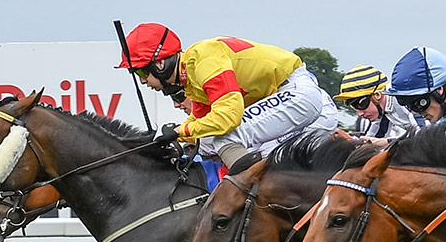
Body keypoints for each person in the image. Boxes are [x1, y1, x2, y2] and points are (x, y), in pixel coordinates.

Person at [115, 23, 339, 168]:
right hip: (294, 97)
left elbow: (227, 118)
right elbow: (202, 125)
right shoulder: (190, 74)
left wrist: (178, 132)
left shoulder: (204, 60)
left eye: (141, 72)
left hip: (299, 94)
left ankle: (254, 200)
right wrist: (173, 141)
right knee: (208, 143)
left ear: (160, 63)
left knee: (227, 138)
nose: (143, 81)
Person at [334, 64, 424, 140]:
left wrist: (388, 142)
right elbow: (372, 140)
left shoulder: (403, 99)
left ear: (377, 95)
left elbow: (423, 136)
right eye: (354, 107)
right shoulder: (382, 108)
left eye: (361, 104)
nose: (359, 114)